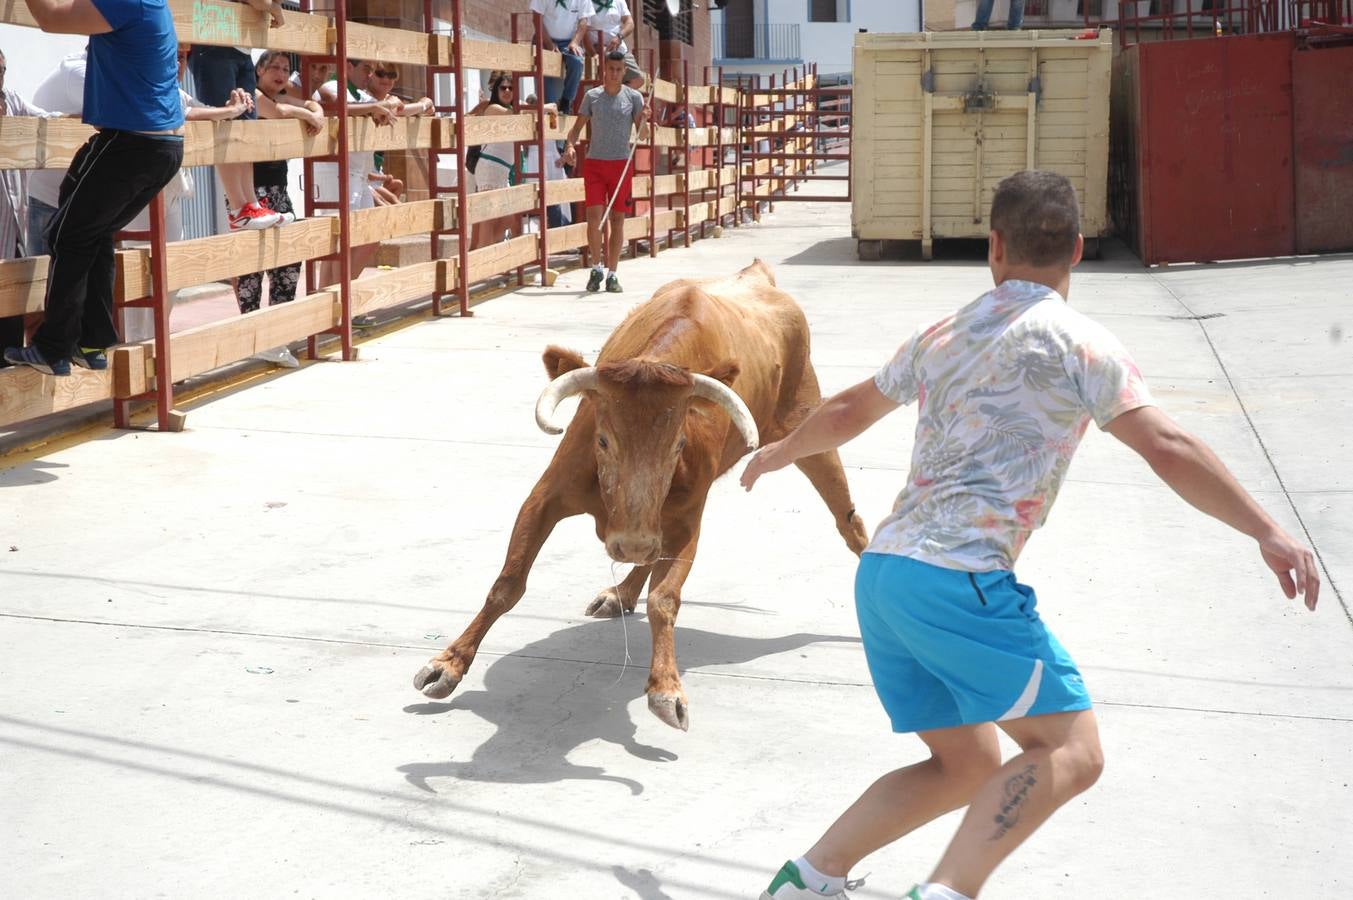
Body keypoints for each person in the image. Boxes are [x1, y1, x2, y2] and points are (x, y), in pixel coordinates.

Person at [741, 170, 1320, 900]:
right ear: (1077, 249)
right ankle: (947, 892)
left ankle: (808, 879)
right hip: (959, 581)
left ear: (994, 247)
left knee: (969, 766)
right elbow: (1166, 447)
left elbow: (849, 409)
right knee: (1071, 751)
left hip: (885, 577)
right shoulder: (1083, 345)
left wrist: (777, 450)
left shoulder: (943, 333)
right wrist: (1267, 530)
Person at [5, 0, 185, 377]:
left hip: (131, 143)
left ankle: (54, 347)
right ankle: (93, 342)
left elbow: (51, 17)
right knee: (92, 230)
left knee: (65, 234)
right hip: (154, 146)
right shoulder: (150, 3)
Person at [237, 50, 327, 367]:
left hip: (279, 191)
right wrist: (307, 114)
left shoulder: (285, 95)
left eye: (285, 69)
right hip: (251, 193)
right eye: (273, 67)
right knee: (252, 267)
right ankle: (255, 336)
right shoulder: (252, 94)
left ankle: (275, 335)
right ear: (258, 71)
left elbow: (311, 105)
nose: (280, 73)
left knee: (287, 264)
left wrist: (312, 109)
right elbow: (277, 112)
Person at [189, 0, 288, 229]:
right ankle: (238, 208)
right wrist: (274, 8)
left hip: (239, 45)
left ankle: (250, 203)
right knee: (225, 123)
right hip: (214, 39)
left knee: (245, 125)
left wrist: (272, 6)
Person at [562, 51, 647, 293]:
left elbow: (643, 135)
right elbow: (575, 129)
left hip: (621, 165)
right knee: (594, 219)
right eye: (611, 69)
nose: (615, 73)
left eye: (619, 70)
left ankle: (613, 274)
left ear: (624, 71)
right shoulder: (592, 97)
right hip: (596, 164)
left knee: (618, 220)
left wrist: (645, 121)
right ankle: (596, 268)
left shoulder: (634, 98)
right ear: (604, 69)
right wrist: (569, 146)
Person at [311, 57, 396, 289]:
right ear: (348, 67)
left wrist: (424, 103)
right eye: (366, 69)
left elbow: (392, 106)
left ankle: (335, 298)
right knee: (340, 242)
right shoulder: (331, 87)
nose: (370, 75)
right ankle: (335, 302)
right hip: (335, 172)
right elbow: (338, 106)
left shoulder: (361, 95)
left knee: (367, 235)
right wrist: (374, 108)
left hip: (356, 175)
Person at [0, 46, 57, 366]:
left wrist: (82, 119)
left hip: (13, 231)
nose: (0, 77)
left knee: (13, 315)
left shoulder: (11, 100)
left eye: (3, 69)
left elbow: (46, 120)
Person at [364, 60, 434, 205]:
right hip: (360, 175)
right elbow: (398, 111)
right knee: (391, 205)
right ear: (370, 75)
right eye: (381, 74)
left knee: (396, 190)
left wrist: (423, 106)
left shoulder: (390, 99)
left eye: (391, 75)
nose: (386, 79)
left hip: (374, 171)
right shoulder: (364, 97)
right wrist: (423, 105)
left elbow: (402, 111)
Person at [527, 0, 592, 113]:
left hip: (568, 42)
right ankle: (550, 107)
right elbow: (536, 19)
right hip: (543, 39)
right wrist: (549, 43)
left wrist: (575, 42)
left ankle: (566, 101)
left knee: (576, 62)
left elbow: (584, 21)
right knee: (543, 65)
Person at [586, 0, 644, 89]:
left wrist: (619, 37)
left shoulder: (618, 1)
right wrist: (593, 54)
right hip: (596, 50)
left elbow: (630, 22)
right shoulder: (586, 2)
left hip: (619, 50)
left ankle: (614, 97)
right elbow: (583, 30)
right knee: (602, 80)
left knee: (638, 80)